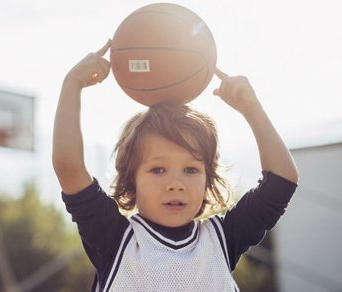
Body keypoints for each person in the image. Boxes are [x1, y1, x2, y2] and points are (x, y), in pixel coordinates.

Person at [52, 39, 299, 291]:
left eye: (191, 169)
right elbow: (68, 167)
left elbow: (281, 181)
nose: (176, 184)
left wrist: (252, 108)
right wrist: (72, 84)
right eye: (158, 169)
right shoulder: (115, 239)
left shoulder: (221, 239)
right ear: (131, 180)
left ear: (207, 179)